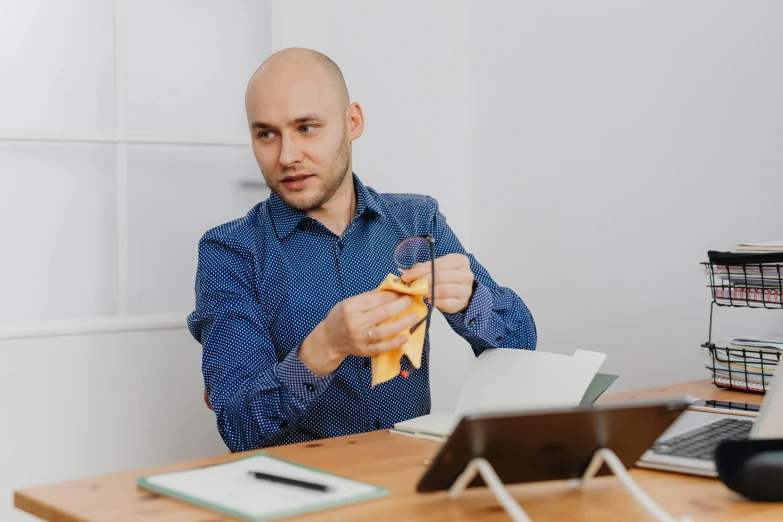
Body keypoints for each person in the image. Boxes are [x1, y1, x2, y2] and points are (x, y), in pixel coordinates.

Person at [186, 48, 537, 452]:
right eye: (266, 134)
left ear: (352, 121)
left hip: (412, 481)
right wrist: (323, 348)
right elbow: (239, 428)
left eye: (306, 127)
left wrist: (473, 301)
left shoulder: (418, 221)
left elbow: (522, 351)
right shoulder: (229, 252)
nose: (287, 156)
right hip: (303, 495)